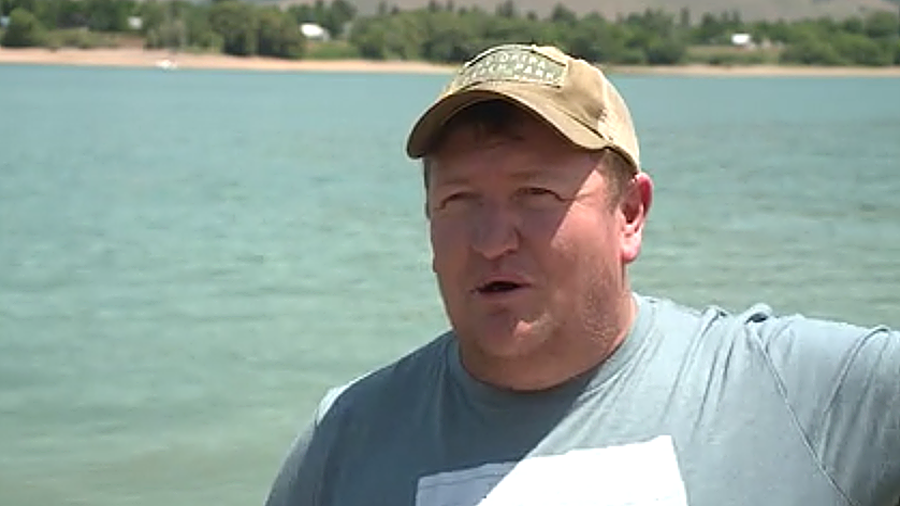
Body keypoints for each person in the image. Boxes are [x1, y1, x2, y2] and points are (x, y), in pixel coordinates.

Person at [264, 44, 899, 506]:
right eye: (458, 202)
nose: (491, 241)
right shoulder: (348, 440)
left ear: (630, 215)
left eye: (536, 194)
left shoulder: (799, 392)